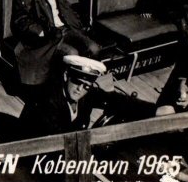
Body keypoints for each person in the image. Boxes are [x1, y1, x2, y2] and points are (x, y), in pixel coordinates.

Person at [11, 0, 100, 91]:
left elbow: (65, 7)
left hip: (65, 29)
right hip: (49, 35)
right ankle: (64, 91)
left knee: (93, 48)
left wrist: (78, 25)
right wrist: (40, 31)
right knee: (72, 54)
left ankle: (84, 86)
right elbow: (20, 19)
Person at [17, 55, 154, 139]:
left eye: (87, 86)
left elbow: (114, 99)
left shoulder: (85, 94)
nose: (80, 89)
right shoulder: (47, 101)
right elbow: (56, 140)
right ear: (66, 76)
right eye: (77, 82)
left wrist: (155, 111)